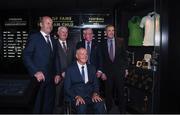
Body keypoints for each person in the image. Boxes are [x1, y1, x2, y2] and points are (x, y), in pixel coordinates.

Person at [23, 16, 57, 113]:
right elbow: (26, 55)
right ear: (41, 24)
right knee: (37, 106)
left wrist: (57, 74)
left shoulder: (53, 40)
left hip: (51, 79)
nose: (50, 26)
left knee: (48, 105)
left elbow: (54, 60)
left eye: (51, 23)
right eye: (47, 23)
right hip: (39, 78)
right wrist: (35, 72)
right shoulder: (34, 37)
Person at [64, 48, 106, 114]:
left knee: (100, 103)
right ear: (77, 56)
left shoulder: (92, 68)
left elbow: (96, 84)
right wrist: (76, 96)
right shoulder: (70, 70)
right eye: (82, 54)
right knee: (82, 106)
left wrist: (95, 93)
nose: (85, 56)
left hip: (90, 96)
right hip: (76, 97)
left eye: (86, 54)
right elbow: (67, 88)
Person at [101, 24, 128, 113]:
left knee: (121, 92)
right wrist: (102, 72)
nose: (111, 32)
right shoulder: (102, 43)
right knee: (108, 93)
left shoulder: (121, 41)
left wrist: (126, 69)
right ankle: (108, 110)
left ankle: (122, 111)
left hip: (119, 72)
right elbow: (102, 59)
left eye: (113, 30)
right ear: (105, 32)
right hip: (107, 73)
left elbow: (125, 57)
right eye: (109, 30)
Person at [76, 28, 106, 95]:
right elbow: (76, 58)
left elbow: (101, 58)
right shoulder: (79, 44)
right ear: (84, 35)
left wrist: (100, 70)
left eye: (91, 34)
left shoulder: (98, 44)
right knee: (84, 91)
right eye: (87, 34)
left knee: (95, 91)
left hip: (95, 72)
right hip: (82, 71)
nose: (90, 35)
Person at [54, 26, 76, 113]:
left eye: (66, 32)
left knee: (70, 98)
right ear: (58, 33)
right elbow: (52, 61)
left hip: (70, 76)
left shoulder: (72, 44)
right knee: (58, 99)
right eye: (62, 32)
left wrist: (69, 72)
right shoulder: (53, 44)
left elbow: (75, 60)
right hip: (58, 77)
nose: (65, 34)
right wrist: (59, 73)